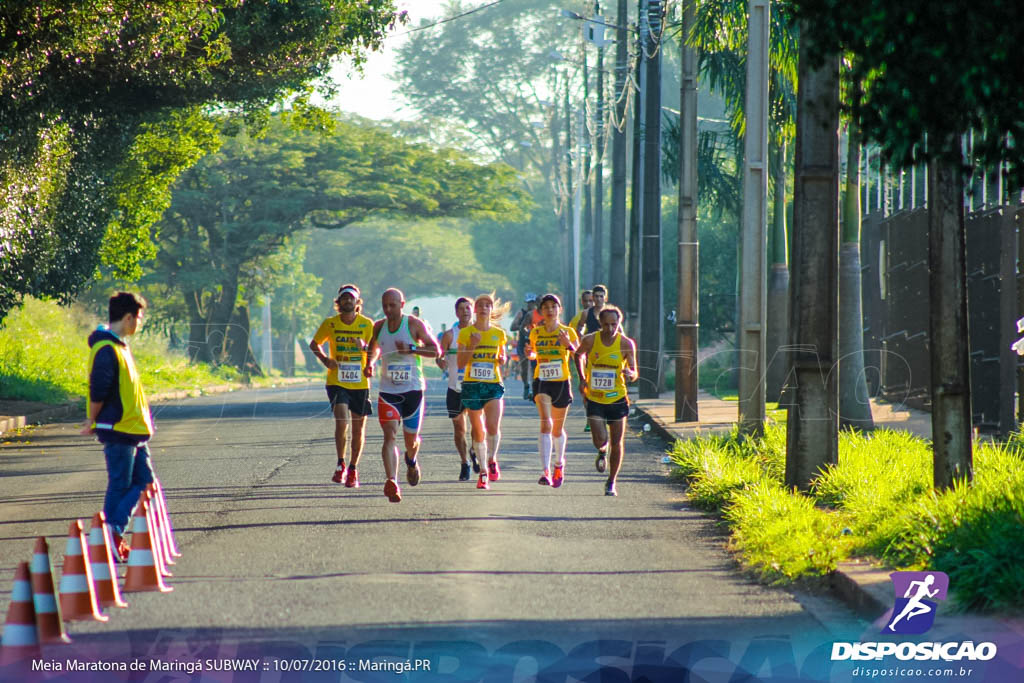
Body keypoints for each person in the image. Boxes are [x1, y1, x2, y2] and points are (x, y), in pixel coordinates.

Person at [81, 292, 155, 562]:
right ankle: (110, 534)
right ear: (127, 317)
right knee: (120, 485)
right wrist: (92, 420)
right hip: (119, 429)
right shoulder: (106, 349)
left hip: (134, 430)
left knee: (145, 483)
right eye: (139, 319)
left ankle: (110, 535)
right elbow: (98, 388)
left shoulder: (120, 346)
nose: (140, 324)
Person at [366, 288, 440, 503]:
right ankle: (392, 481)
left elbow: (435, 350)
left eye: (393, 305)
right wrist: (369, 364)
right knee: (389, 436)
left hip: (413, 391)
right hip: (388, 392)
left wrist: (412, 349)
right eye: (385, 306)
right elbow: (374, 349)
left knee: (410, 441)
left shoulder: (414, 324)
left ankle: (411, 459)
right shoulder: (378, 327)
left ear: (402, 304)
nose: (388, 310)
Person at [309, 284, 374, 488]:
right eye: (344, 298)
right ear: (338, 302)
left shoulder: (367, 324)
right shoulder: (330, 324)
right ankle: (340, 464)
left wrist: (364, 350)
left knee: (358, 427)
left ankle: (353, 468)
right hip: (337, 380)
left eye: (351, 298)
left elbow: (375, 349)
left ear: (357, 302)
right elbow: (314, 344)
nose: (347, 301)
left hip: (360, 382)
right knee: (341, 420)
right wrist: (326, 360)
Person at [575, 305, 638, 496]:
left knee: (618, 442)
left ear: (619, 323)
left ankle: (611, 482)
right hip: (595, 398)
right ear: (600, 323)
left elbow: (635, 372)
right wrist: (582, 378)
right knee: (600, 439)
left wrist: (631, 373)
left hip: (617, 398)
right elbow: (578, 355)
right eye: (606, 324)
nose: (610, 329)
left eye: (614, 324)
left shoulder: (626, 344)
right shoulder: (590, 340)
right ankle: (602, 450)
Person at [457, 293, 511, 491]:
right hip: (472, 385)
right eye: (479, 305)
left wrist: (502, 359)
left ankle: (492, 459)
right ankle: (483, 474)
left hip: (493, 384)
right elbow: (461, 363)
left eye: (487, 305)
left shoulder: (499, 334)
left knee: (492, 426)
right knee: (478, 431)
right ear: (475, 309)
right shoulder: (466, 333)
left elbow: (502, 355)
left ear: (491, 310)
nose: (483, 308)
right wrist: (472, 345)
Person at [527, 294, 580, 488]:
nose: (550, 310)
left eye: (553, 306)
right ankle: (545, 471)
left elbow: (578, 354)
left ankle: (559, 464)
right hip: (542, 381)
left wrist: (569, 344)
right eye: (546, 307)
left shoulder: (567, 332)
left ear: (560, 310)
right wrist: (530, 354)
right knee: (546, 424)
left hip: (562, 381)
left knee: (557, 429)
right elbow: (533, 352)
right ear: (541, 311)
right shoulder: (536, 333)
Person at [435, 297, 477, 481]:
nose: (465, 311)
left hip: (476, 387)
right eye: (461, 309)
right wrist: (440, 361)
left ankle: (475, 450)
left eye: (468, 308)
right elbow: (439, 356)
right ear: (456, 312)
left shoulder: (480, 333)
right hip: (455, 388)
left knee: (477, 427)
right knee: (459, 429)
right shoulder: (450, 335)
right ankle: (464, 462)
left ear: (473, 310)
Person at [511, 293, 540, 400]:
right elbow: (512, 327)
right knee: (524, 367)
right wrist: (524, 326)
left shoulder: (538, 314)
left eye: (533, 303)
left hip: (534, 344)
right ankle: (526, 386)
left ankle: (534, 389)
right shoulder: (521, 313)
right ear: (526, 303)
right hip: (523, 343)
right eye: (529, 303)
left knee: (535, 367)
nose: (531, 305)